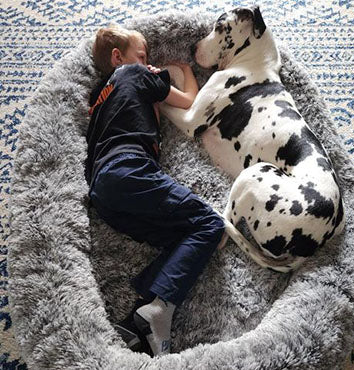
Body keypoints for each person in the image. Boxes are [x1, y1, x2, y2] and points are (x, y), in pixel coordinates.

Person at [86, 25, 225, 357]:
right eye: (142, 55)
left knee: (183, 237)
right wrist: (185, 70)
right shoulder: (134, 73)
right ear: (119, 58)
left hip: (102, 192)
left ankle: (141, 316)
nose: (147, 62)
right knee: (211, 225)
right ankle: (161, 309)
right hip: (130, 169)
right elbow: (190, 100)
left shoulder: (97, 99)